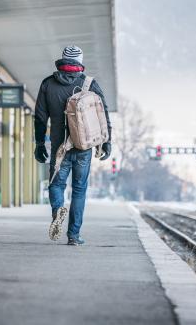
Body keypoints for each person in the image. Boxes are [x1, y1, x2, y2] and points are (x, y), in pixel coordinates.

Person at [34, 46, 112, 245]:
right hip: (83, 146)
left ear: (62, 60)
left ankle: (58, 210)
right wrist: (106, 140)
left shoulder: (48, 84)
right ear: (80, 60)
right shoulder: (89, 83)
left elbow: (40, 118)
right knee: (79, 190)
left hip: (60, 147)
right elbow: (103, 114)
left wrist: (40, 143)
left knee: (56, 184)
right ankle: (74, 236)